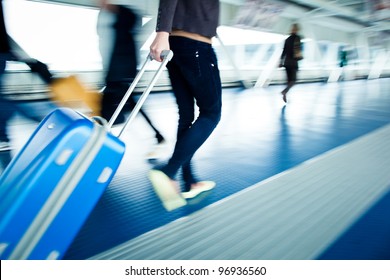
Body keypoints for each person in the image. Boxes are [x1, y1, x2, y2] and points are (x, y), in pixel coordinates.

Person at [148, 0, 222, 211]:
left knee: (187, 116)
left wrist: (165, 34)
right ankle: (169, 171)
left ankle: (190, 181)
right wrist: (162, 32)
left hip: (177, 47)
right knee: (211, 113)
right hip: (197, 45)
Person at [97, 0, 166, 158]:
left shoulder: (126, 14)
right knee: (128, 104)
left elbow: (132, 34)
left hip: (122, 69)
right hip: (115, 69)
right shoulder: (112, 16)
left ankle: (100, 142)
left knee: (118, 104)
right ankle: (158, 136)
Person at [279, 23, 302, 103]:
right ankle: (284, 91)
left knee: (289, 81)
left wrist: (281, 61)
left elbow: (284, 51)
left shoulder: (287, 39)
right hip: (293, 62)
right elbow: (298, 49)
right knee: (294, 81)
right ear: (297, 30)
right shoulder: (297, 38)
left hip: (286, 63)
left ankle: (285, 94)